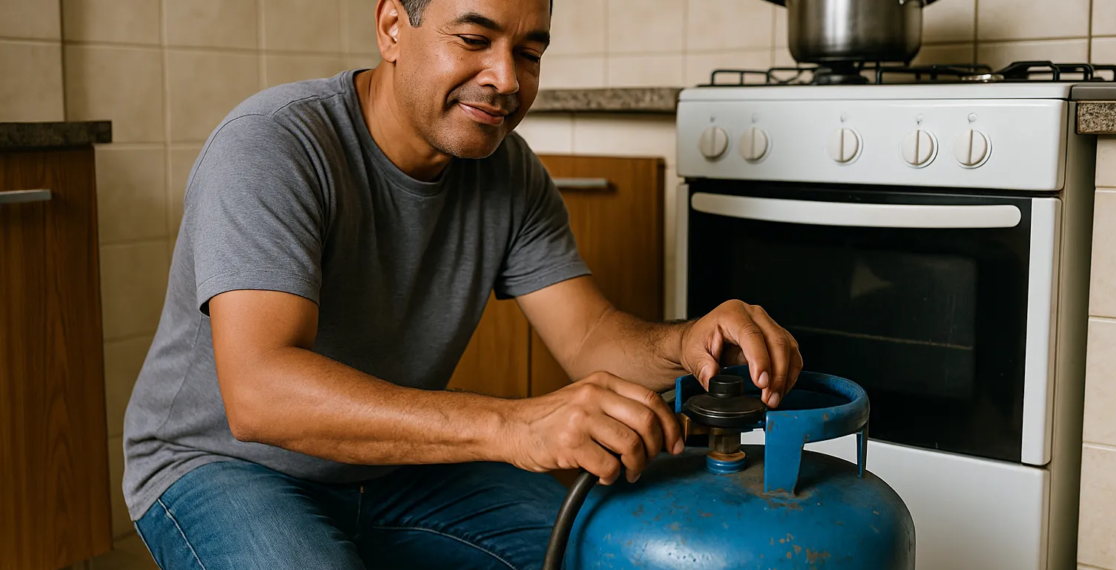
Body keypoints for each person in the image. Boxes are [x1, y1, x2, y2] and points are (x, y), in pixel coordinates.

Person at [122, 0, 803, 568]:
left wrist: (689, 342)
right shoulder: (273, 145)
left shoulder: (509, 172)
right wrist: (514, 425)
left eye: (530, 53)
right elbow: (260, 395)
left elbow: (590, 336)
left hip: (393, 472)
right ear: (392, 28)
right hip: (223, 466)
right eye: (475, 39)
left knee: (599, 551)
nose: (506, 79)